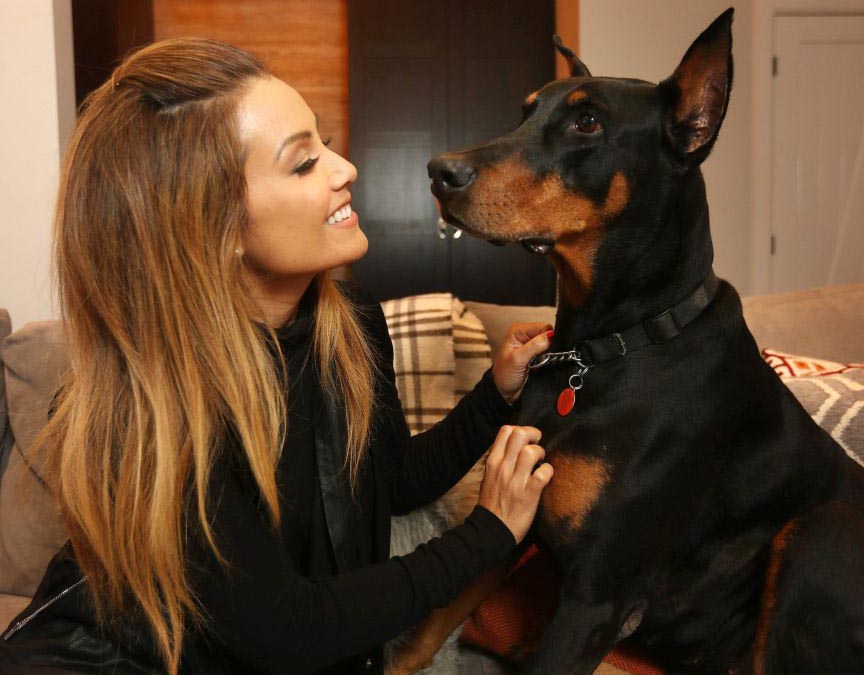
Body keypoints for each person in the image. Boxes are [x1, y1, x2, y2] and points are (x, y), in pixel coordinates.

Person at [0, 38, 554, 674]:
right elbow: (292, 629)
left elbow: (390, 481)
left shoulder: (350, 327)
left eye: (323, 143)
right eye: (302, 163)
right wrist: (489, 534)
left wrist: (494, 395)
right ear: (214, 226)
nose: (345, 168)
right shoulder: (155, 412)